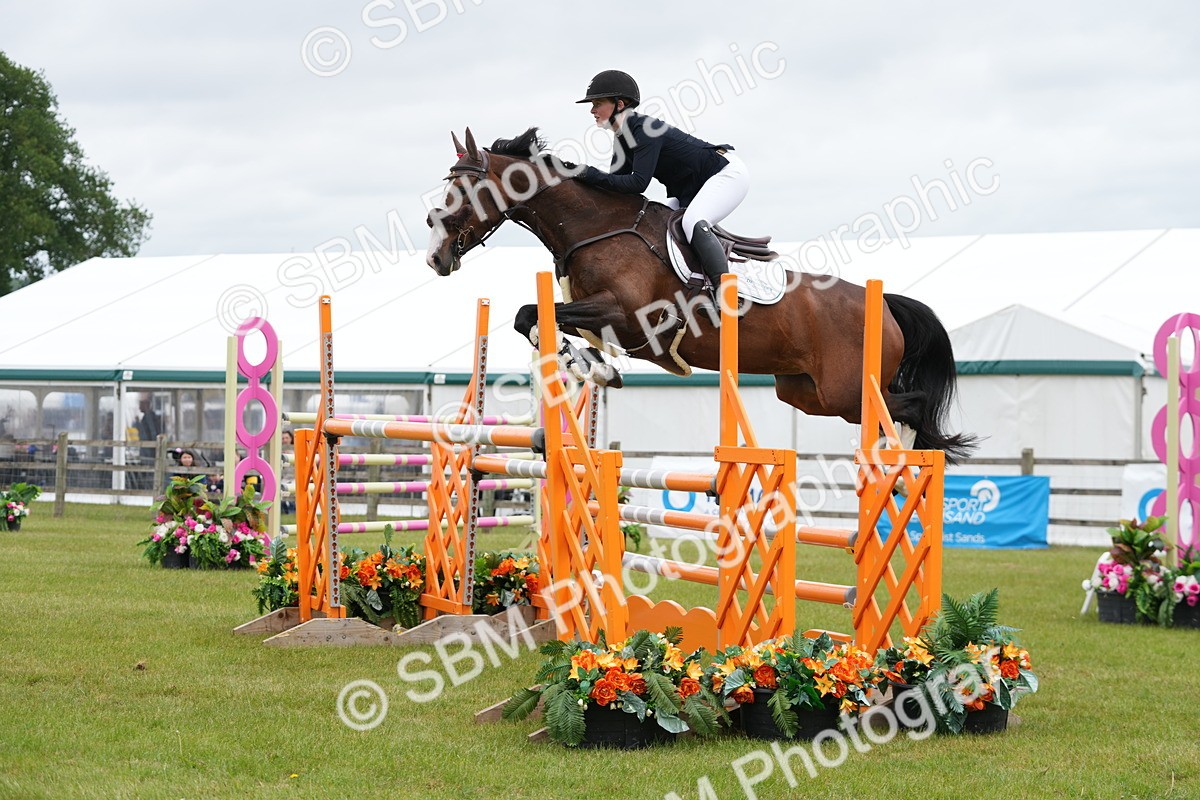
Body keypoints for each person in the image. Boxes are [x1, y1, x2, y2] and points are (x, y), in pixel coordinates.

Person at [575, 69, 750, 296]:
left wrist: (588, 173)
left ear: (619, 104)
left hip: (726, 174)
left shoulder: (645, 130)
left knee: (693, 222)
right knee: (656, 224)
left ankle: (726, 293)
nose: (592, 110)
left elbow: (638, 183)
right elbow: (616, 188)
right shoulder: (623, 137)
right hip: (693, 188)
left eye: (598, 103)